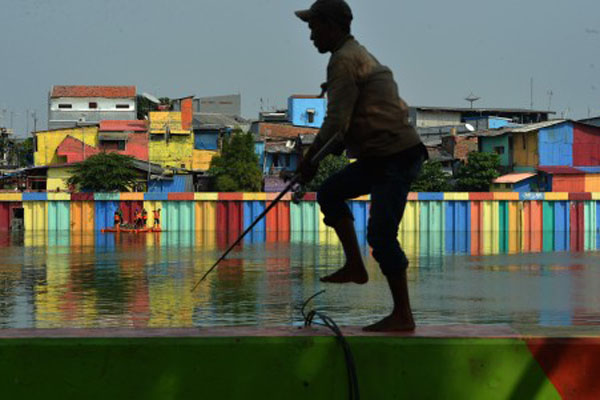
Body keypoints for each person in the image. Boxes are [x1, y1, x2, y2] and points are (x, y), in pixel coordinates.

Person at [295, 0, 428, 332]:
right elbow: (351, 122)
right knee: (330, 192)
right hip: (378, 157)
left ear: (332, 26)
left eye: (314, 27)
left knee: (381, 234)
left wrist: (310, 161)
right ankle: (355, 265)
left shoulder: (343, 61)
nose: (311, 35)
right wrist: (322, 154)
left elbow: (336, 123)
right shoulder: (355, 56)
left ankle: (403, 315)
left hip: (396, 156)